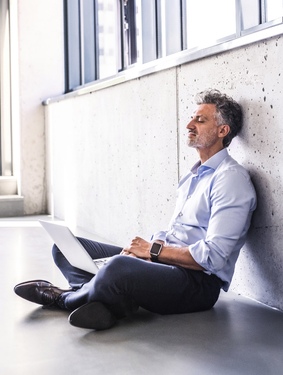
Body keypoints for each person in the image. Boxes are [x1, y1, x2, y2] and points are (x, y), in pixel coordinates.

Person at [14, 89, 257, 330]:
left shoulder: (231, 179)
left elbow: (213, 257)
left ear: (222, 131)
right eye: (192, 118)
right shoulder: (193, 175)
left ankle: (63, 298)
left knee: (117, 268)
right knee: (65, 248)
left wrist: (152, 251)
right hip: (164, 263)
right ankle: (111, 304)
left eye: (200, 120)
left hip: (198, 284)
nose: (188, 125)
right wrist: (143, 252)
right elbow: (177, 232)